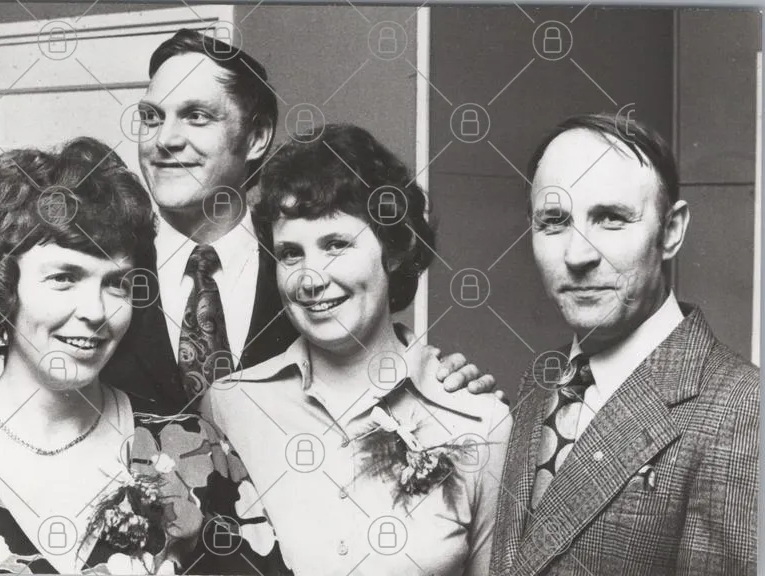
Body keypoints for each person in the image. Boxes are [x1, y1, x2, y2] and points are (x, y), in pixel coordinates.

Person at [0, 138, 287, 574]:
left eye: (116, 283)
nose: (96, 311)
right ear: (0, 288)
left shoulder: (194, 451)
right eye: (64, 277)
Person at [103, 28, 498, 415]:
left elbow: (371, 347)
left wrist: (439, 380)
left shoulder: (304, 266)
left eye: (196, 116)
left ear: (257, 137)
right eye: (151, 117)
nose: (165, 139)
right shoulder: (102, 265)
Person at [204, 124, 511, 576]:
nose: (310, 278)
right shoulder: (230, 407)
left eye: (335, 245)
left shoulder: (480, 421)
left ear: (394, 249)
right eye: (290, 253)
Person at [488, 113, 759, 575]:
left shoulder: (744, 407)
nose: (577, 255)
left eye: (611, 219)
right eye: (554, 222)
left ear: (671, 231)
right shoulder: (542, 382)